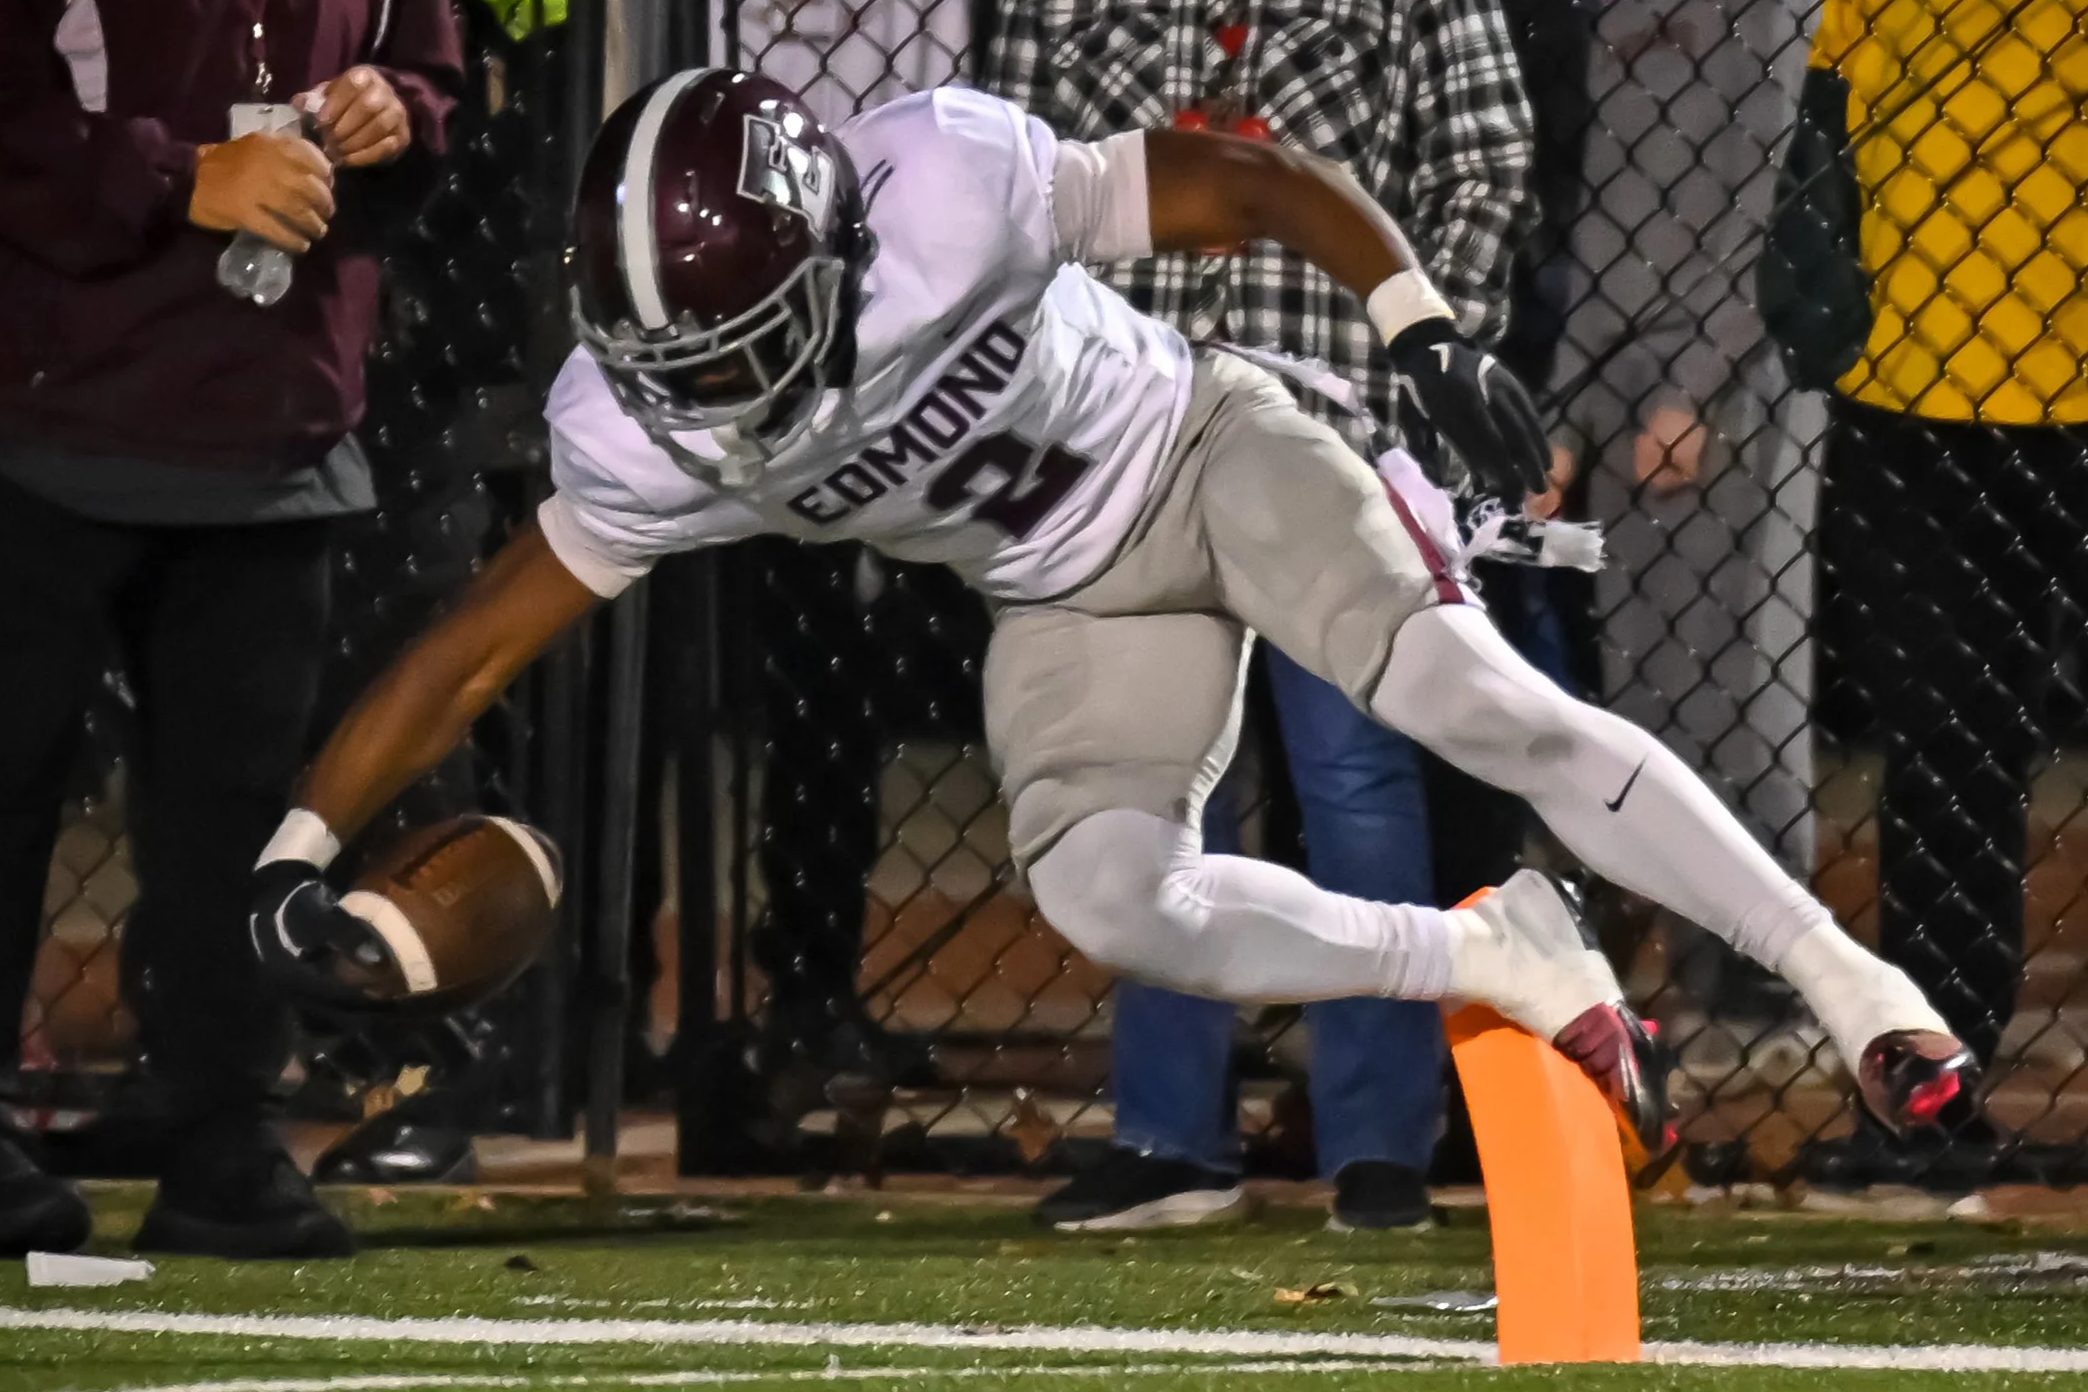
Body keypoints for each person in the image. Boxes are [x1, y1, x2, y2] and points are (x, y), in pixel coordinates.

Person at [245, 71, 1975, 1188]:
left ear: (839, 244)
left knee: (1467, 694)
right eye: (671, 362)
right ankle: (1497, 956)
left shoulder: (945, 184)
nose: (711, 395)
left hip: (1207, 450)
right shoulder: (641, 434)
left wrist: (1420, 328)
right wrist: (301, 846)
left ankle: (1854, 987)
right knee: (1106, 896)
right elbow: (473, 648)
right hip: (1064, 592)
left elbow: (1249, 183)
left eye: (742, 340)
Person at [986, 0, 1542, 1232]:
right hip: (1125, 438)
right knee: (1143, 784)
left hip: (1326, 421)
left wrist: (1420, 348)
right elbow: (1007, 190)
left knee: (1356, 779)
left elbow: (1487, 159)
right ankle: (1170, 1140)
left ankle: (1379, 1145)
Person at [0, 0, 460, 1258]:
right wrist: (180, 176)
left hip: (274, 413)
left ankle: (224, 1137)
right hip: (43, 403)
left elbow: (427, 74)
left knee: (242, 812)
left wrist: (396, 113)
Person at [1780, 0, 2088, 1185]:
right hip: (1915, 398)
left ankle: (1929, 1104)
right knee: (1947, 761)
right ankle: (1931, 1102)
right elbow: (1825, 140)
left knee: (1950, 761)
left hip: (1957, 384)